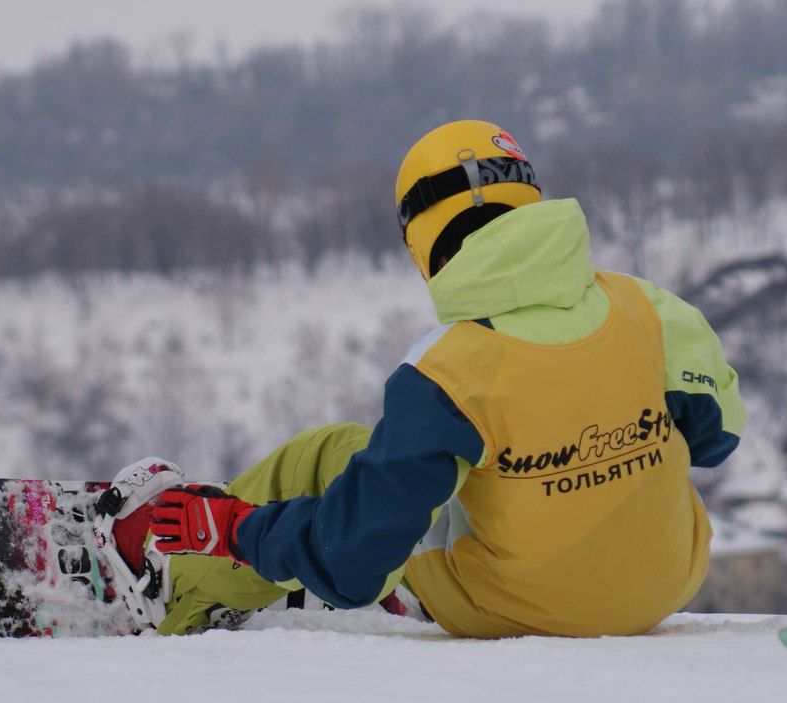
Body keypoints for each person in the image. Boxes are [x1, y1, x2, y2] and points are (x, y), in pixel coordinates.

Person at [99, 120, 745, 638]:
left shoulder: (449, 369)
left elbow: (353, 560)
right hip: (665, 581)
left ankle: (177, 580)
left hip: (520, 609)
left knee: (338, 457)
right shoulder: (647, 307)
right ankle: (369, 579)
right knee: (420, 493)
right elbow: (715, 437)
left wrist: (237, 527)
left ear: (422, 241)